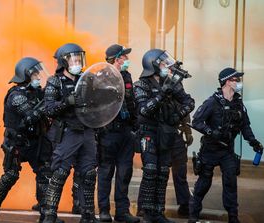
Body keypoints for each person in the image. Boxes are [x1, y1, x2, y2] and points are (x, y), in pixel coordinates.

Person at [0, 57, 63, 223]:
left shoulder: (37, 92)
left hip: (35, 141)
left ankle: (46, 213)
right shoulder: (16, 95)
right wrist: (47, 105)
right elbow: (30, 116)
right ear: (26, 75)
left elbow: (50, 103)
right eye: (35, 74)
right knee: (11, 175)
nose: (39, 77)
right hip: (17, 142)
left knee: (45, 173)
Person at [188, 67, 263, 223]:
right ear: (227, 82)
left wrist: (253, 142)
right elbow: (196, 121)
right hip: (210, 150)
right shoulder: (212, 102)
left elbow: (245, 126)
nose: (239, 83)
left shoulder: (238, 103)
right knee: (203, 184)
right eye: (236, 80)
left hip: (227, 151)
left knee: (230, 183)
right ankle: (193, 215)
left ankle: (233, 217)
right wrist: (210, 132)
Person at [133, 49, 195, 223]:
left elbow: (189, 102)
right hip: (149, 133)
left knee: (162, 173)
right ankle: (146, 212)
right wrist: (162, 94)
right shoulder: (141, 85)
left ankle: (159, 212)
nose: (167, 66)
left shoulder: (171, 83)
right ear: (153, 65)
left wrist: (177, 115)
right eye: (163, 63)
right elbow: (144, 110)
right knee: (151, 170)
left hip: (167, 133)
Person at [42, 43, 99, 223]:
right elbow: (49, 109)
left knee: (89, 173)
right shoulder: (55, 81)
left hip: (87, 131)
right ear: (63, 62)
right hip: (67, 132)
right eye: (73, 59)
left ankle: (88, 214)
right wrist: (67, 102)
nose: (77, 62)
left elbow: (97, 104)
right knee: (60, 172)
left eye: (78, 58)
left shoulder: (87, 80)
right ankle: (50, 215)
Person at [96, 44, 140, 223]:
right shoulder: (101, 77)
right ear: (116, 59)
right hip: (108, 133)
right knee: (106, 172)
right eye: (124, 57)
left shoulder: (126, 76)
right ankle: (104, 211)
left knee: (125, 172)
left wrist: (135, 126)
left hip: (125, 132)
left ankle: (122, 212)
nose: (127, 60)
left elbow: (131, 103)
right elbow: (95, 106)